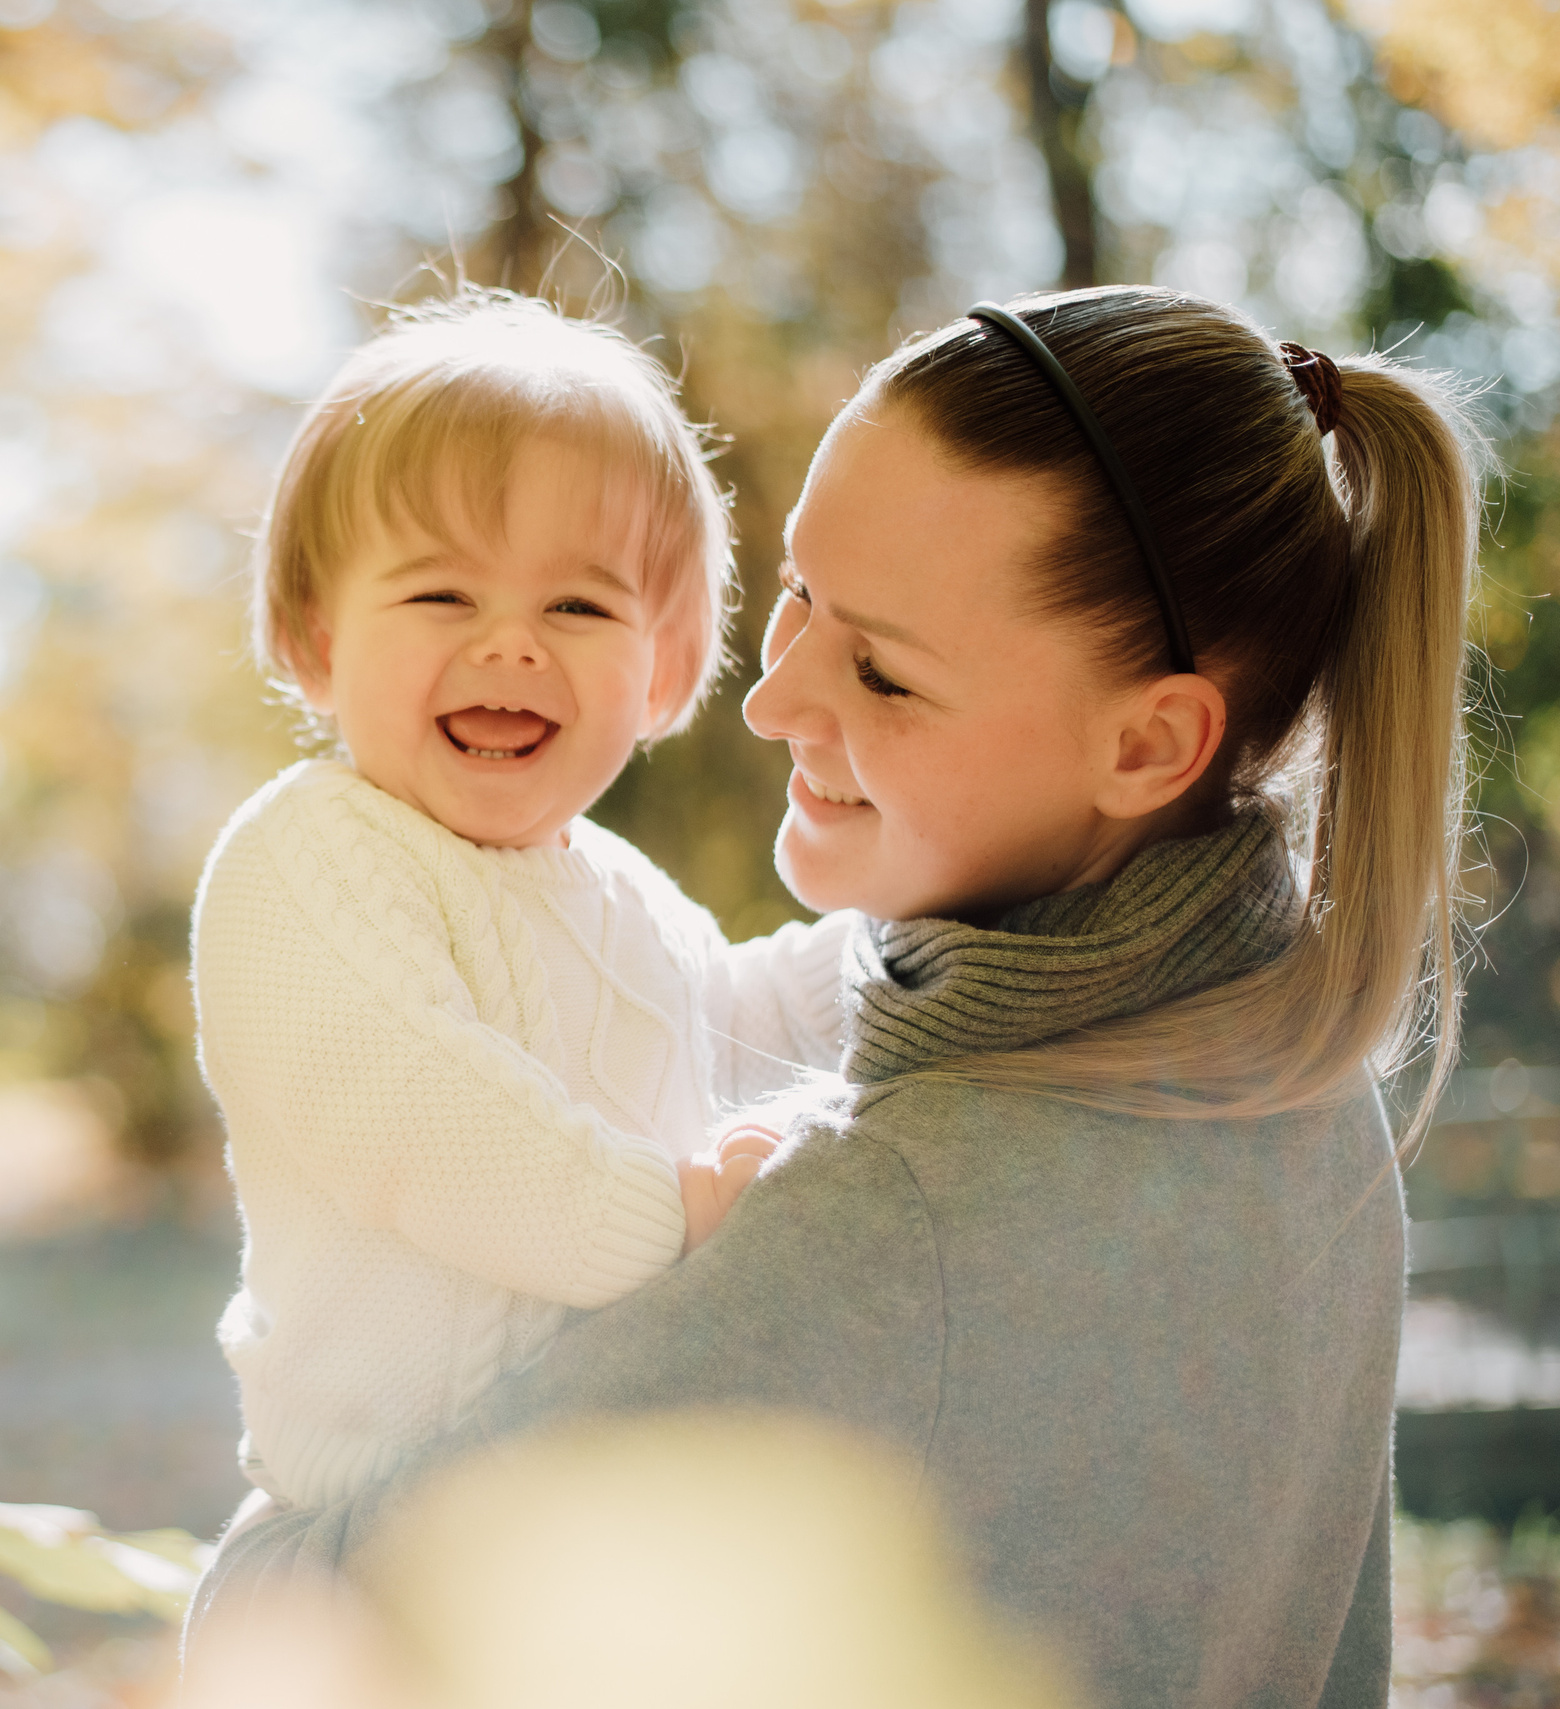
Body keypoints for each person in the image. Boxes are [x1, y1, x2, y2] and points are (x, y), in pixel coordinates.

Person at [188, 285, 1483, 1709]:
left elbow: (301, 1637)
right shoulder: (1310, 1103)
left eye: (880, 669)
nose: (769, 700)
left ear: (1147, 743)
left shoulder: (888, 1219)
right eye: (798, 592)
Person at [191, 292, 853, 1515]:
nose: (511, 645)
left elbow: (725, 1023)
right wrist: (670, 1217)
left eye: (578, 606)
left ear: (660, 669)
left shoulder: (625, 892)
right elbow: (416, 1111)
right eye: (441, 596)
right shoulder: (308, 855)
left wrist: (886, 955)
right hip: (372, 1522)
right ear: (319, 638)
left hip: (565, 1513)